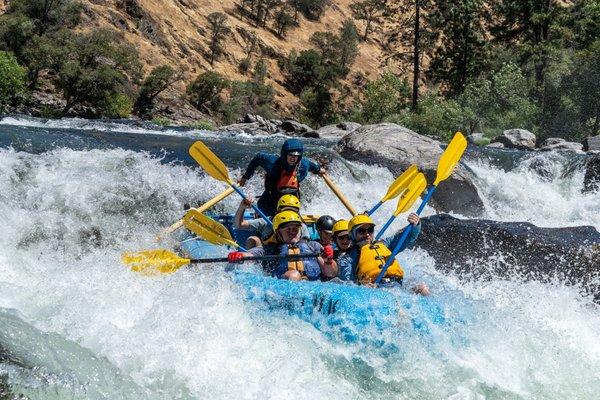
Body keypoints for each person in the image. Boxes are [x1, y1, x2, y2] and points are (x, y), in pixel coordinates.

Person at [227, 211, 338, 281]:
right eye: (287, 229)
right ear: (278, 232)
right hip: (285, 289)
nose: (292, 232)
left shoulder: (313, 246)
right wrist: (238, 255)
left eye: (295, 229)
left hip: (314, 288)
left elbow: (331, 273)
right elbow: (249, 254)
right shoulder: (269, 250)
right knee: (293, 275)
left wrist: (329, 260)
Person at [337, 213, 430, 295]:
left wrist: (416, 225)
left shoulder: (384, 244)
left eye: (370, 230)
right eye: (361, 231)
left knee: (423, 289)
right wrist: (362, 289)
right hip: (375, 290)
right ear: (352, 235)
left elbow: (408, 237)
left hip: (397, 285)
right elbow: (348, 285)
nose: (367, 234)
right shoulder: (349, 258)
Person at [238, 138, 325, 216]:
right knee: (264, 213)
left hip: (290, 203)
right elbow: (258, 157)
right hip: (269, 201)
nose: (293, 158)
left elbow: (315, 168)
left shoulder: (304, 165)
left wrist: (319, 170)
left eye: (296, 156)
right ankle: (259, 216)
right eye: (290, 155)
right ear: (284, 154)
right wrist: (245, 177)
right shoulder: (272, 163)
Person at [233, 194, 310, 248]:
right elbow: (238, 225)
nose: (288, 214)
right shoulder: (266, 221)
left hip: (291, 254)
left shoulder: (301, 226)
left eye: (292, 211)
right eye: (285, 210)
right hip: (268, 253)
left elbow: (305, 246)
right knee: (252, 240)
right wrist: (242, 207)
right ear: (278, 211)